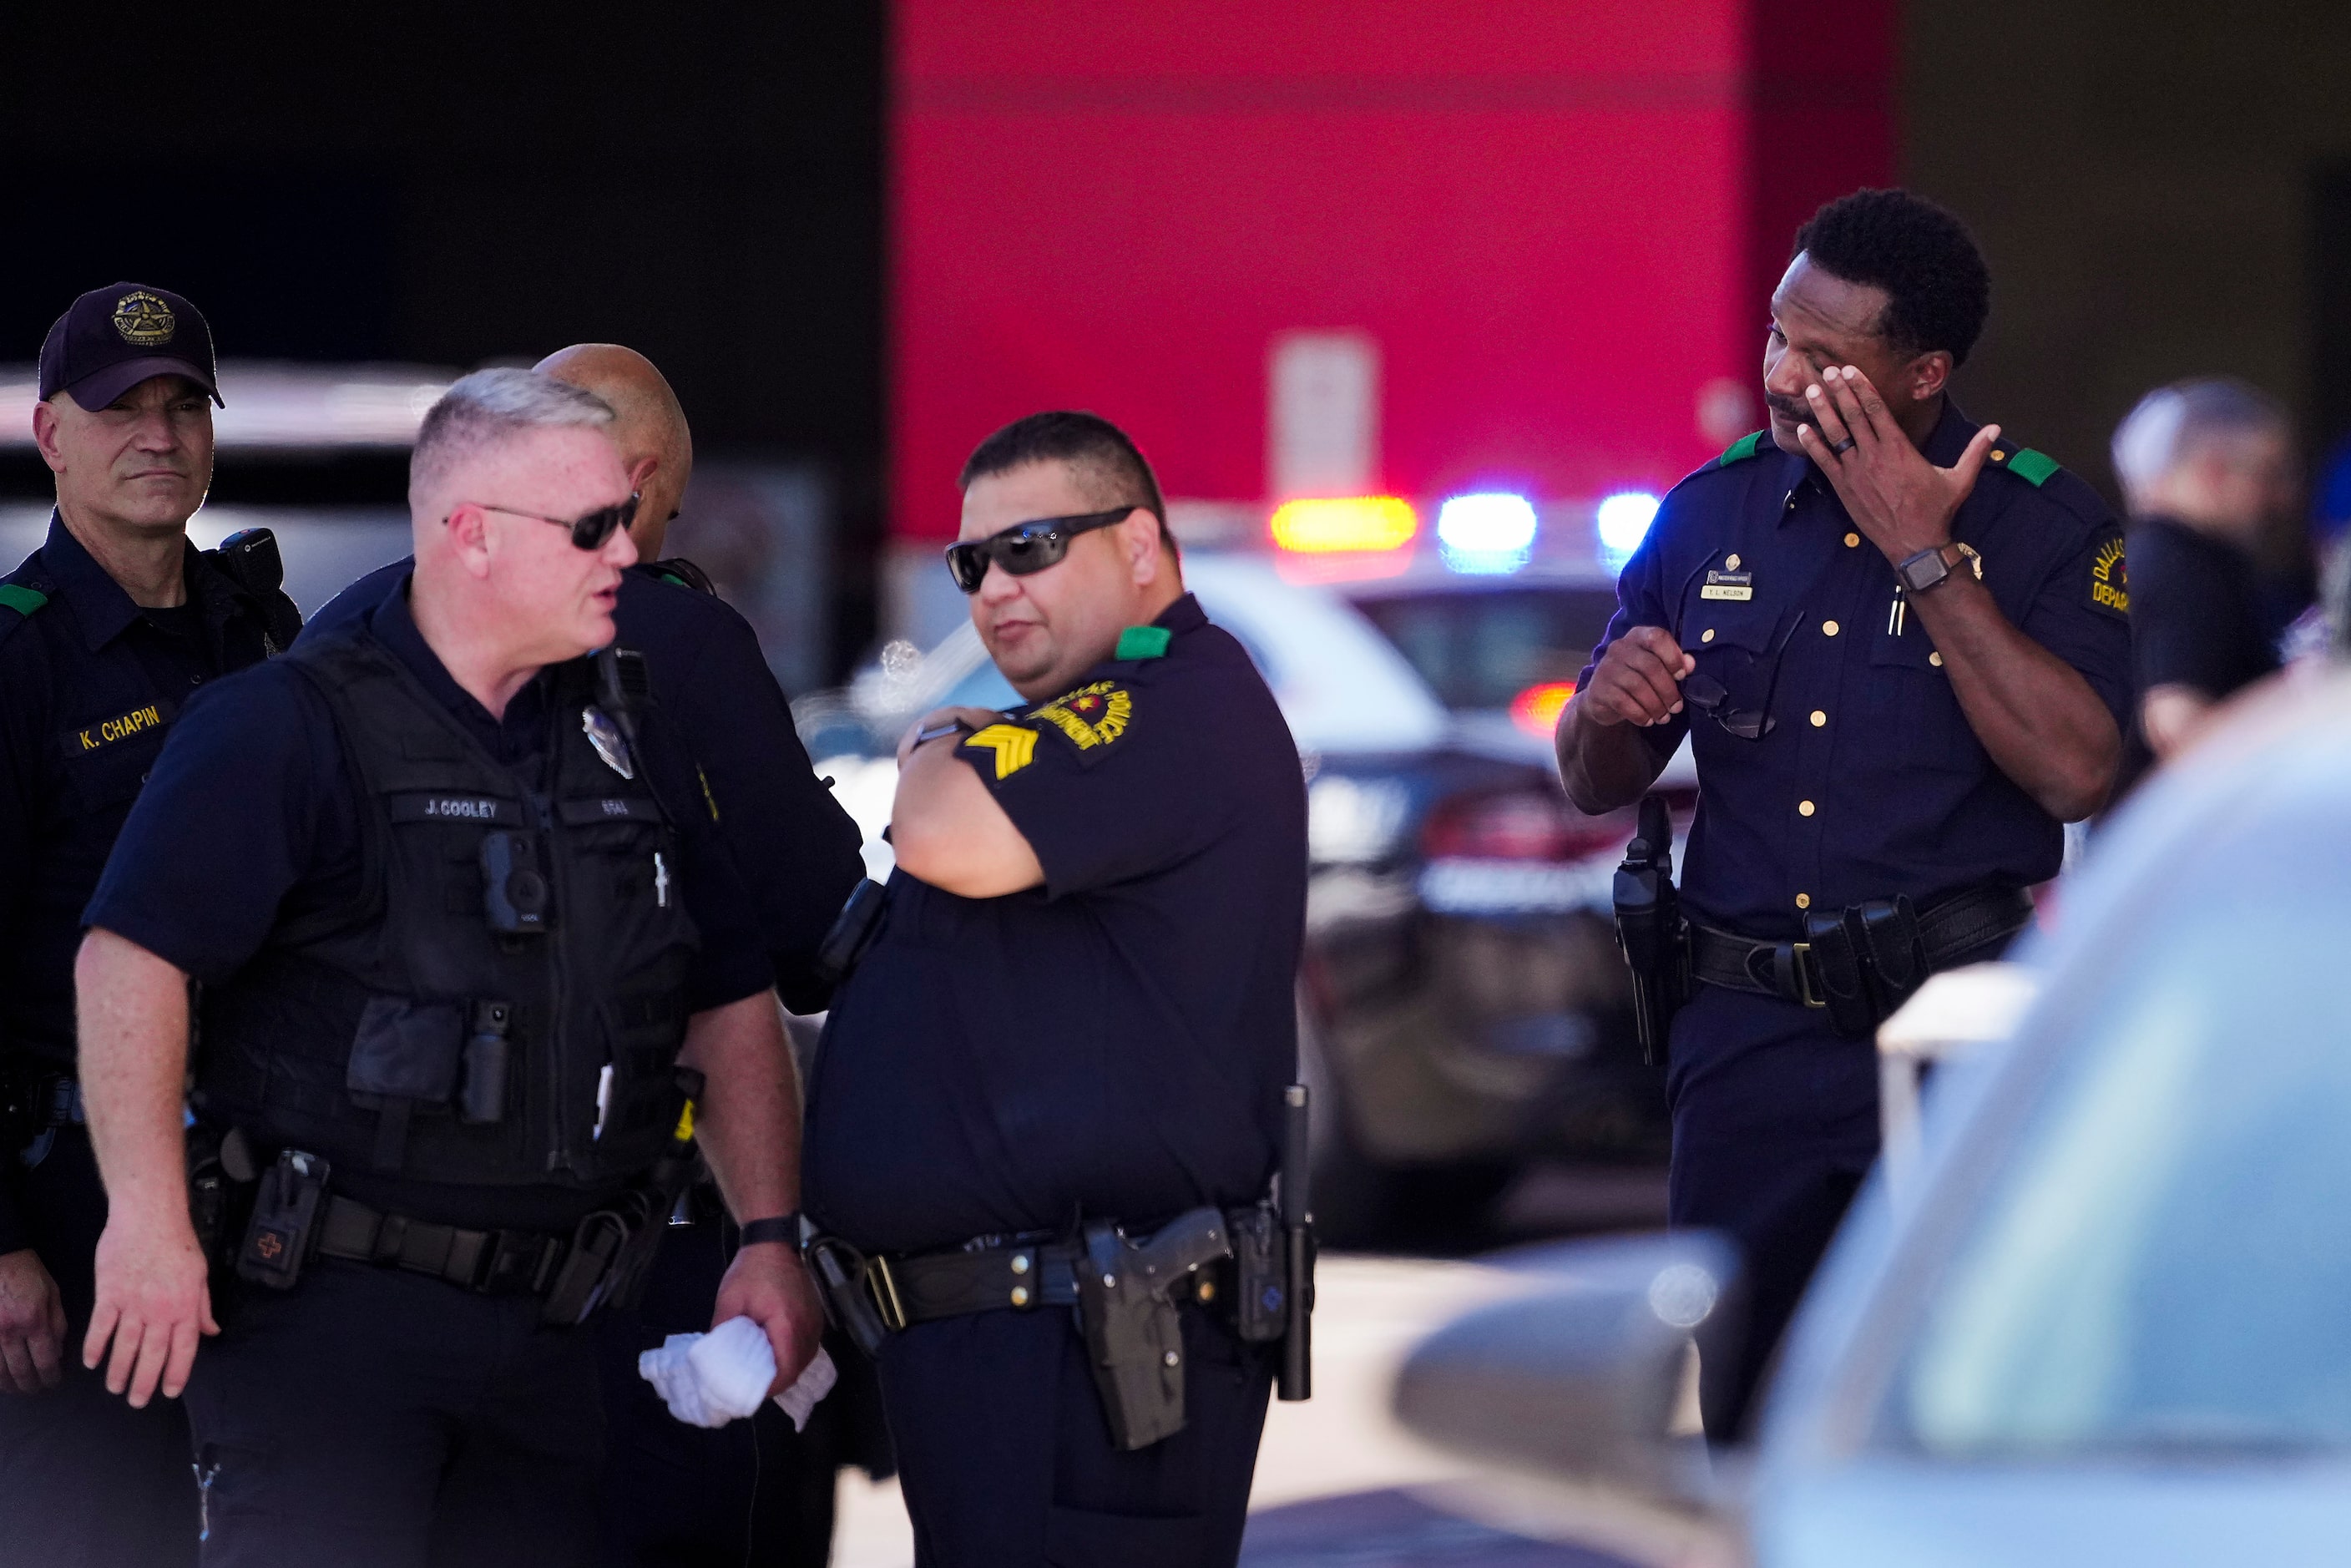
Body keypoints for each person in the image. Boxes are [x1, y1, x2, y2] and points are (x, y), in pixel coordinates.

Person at [73, 368, 824, 1567]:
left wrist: (768, 1233)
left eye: (625, 519)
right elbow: (130, 960)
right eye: (589, 526)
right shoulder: (288, 721)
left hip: (557, 1336)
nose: (625, 551)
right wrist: (149, 1222)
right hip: (331, 1331)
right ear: (469, 534)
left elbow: (726, 992)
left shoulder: (627, 732)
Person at [1555, 189, 2132, 1438]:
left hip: (1948, 1037)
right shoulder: (1710, 509)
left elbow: (2080, 773)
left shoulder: (2038, 520)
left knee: (1948, 1410)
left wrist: (1928, 557)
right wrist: (1606, 710)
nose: (1780, 372)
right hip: (1745, 1037)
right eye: (1776, 335)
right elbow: (1593, 773)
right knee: (1746, 1408)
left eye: (1824, 356)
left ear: (1924, 373)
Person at [302, 345, 872, 1565]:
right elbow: (807, 928)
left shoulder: (345, 630)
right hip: (634, 1236)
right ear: (642, 477)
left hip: (376, 1246)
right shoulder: (679, 635)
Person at [800, 411, 1307, 1567]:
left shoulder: (1169, 697)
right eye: (970, 561)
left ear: (1137, 546)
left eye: (1029, 546)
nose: (991, 588)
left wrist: (935, 733)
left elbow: (944, 832)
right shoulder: (1110, 711)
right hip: (1032, 1348)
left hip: (1089, 1348)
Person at [0, 281, 300, 1566]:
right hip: (65, 1208)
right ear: (49, 432)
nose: (159, 435)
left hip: (271, 1200)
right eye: (121, 408)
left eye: (184, 405)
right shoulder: (15, 662)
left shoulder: (265, 638)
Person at [2110, 378, 2302, 769]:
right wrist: (2311, 698)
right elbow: (2182, 728)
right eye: (2270, 475)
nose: (2285, 498)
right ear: (2213, 472)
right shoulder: (2183, 568)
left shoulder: (2146, 557)